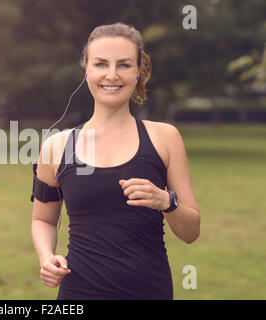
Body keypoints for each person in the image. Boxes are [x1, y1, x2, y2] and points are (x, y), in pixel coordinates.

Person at [31, 22, 201, 300]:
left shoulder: (165, 138)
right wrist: (46, 257)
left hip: (150, 292)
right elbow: (43, 219)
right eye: (101, 64)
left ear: (138, 72)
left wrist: (166, 202)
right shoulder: (56, 147)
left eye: (123, 65)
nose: (111, 75)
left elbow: (191, 231)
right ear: (87, 70)